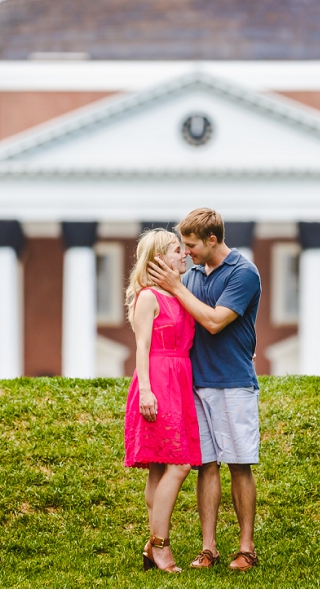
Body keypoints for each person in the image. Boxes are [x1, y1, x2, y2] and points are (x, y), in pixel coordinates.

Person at [148, 208, 263, 572]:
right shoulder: (194, 275)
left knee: (239, 464)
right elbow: (182, 318)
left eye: (192, 244)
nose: (187, 251)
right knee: (206, 465)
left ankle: (246, 547)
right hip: (195, 384)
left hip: (233, 381)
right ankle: (208, 548)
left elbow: (213, 321)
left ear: (212, 240)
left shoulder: (244, 273)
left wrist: (176, 287)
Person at [123, 229, 201, 574]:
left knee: (159, 467)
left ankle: (152, 543)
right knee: (180, 464)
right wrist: (146, 391)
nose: (183, 254)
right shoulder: (148, 297)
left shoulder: (179, 294)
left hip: (180, 379)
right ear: (158, 259)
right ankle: (160, 545)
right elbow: (141, 347)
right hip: (158, 380)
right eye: (176, 249)